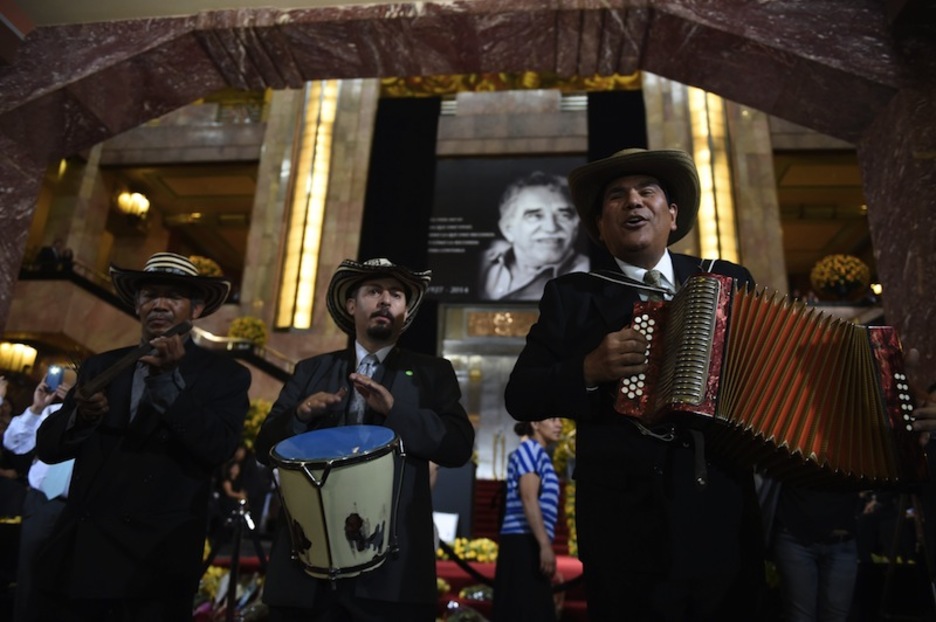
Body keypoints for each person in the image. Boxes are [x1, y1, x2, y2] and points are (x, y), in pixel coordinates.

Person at [505, 148, 765, 621]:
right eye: (617, 196)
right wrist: (587, 370)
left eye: (647, 191)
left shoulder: (727, 281)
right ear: (600, 226)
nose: (633, 201)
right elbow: (520, 394)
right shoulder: (572, 297)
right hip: (623, 526)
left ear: (673, 214)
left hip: (720, 515)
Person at [255, 257, 475, 622]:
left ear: (407, 311)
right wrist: (301, 414)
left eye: (397, 295)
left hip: (392, 581)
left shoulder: (433, 373)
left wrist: (395, 410)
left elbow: (458, 446)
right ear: (351, 305)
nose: (386, 300)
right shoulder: (311, 371)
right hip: (307, 577)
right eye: (374, 291)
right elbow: (264, 448)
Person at [34, 251, 251, 621]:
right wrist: (82, 419)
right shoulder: (102, 366)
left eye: (174, 296)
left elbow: (218, 447)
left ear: (196, 309)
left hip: (154, 570)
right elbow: (48, 447)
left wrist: (168, 383)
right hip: (82, 561)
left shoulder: (225, 375)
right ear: (136, 303)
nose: (159, 304)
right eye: (150, 295)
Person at [12, 374, 77, 622]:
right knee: (29, 578)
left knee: (62, 584)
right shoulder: (51, 412)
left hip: (75, 510)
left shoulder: (106, 420)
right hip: (41, 504)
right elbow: (15, 444)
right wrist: (36, 408)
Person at [492, 417, 563, 622]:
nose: (559, 425)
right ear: (534, 424)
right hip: (523, 543)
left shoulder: (538, 453)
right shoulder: (530, 450)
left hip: (529, 541)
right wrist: (544, 545)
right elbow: (528, 497)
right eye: (553, 419)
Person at [479, 171, 589, 301]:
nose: (551, 227)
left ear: (576, 225)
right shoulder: (483, 263)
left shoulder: (590, 277)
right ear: (507, 229)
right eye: (534, 216)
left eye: (564, 215)